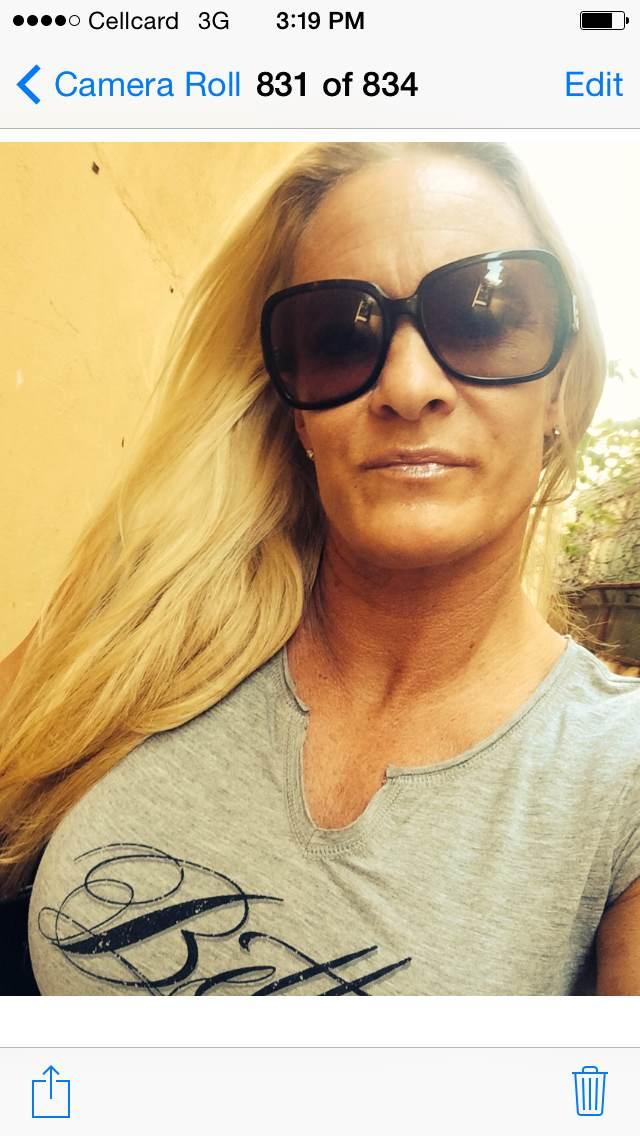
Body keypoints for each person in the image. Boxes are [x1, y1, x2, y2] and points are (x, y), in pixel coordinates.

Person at [1, 142, 639, 996]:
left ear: (557, 388)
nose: (408, 386)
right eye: (340, 336)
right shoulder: (146, 619)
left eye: (482, 320)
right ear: (297, 411)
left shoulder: (618, 772)